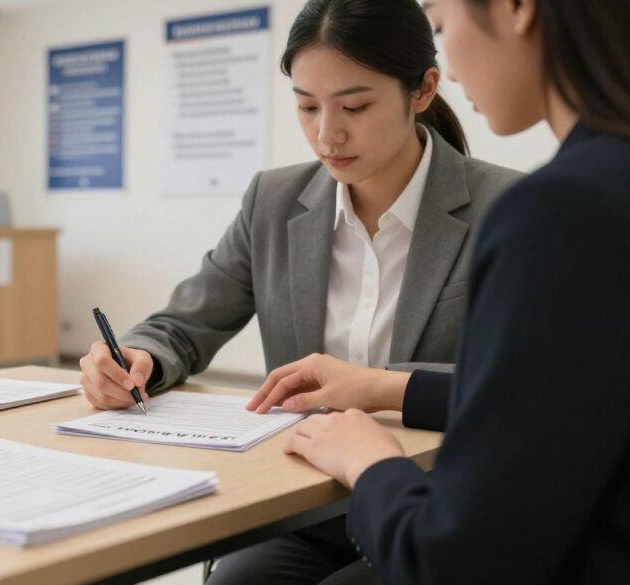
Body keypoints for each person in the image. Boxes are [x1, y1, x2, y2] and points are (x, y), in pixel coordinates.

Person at [256, 0, 630, 583]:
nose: (450, 66)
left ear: (517, 9)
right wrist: (388, 390)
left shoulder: (558, 207)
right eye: (307, 106)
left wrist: (371, 460)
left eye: (440, 23)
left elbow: (457, 559)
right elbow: (559, 399)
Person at [79, 0, 522, 415]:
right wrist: (141, 359)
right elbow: (183, 325)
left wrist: (378, 386)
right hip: (299, 476)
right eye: (308, 106)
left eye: (355, 106)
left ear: (423, 90)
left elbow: (531, 379)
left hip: (435, 478)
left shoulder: (511, 206)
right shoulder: (272, 201)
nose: (328, 135)